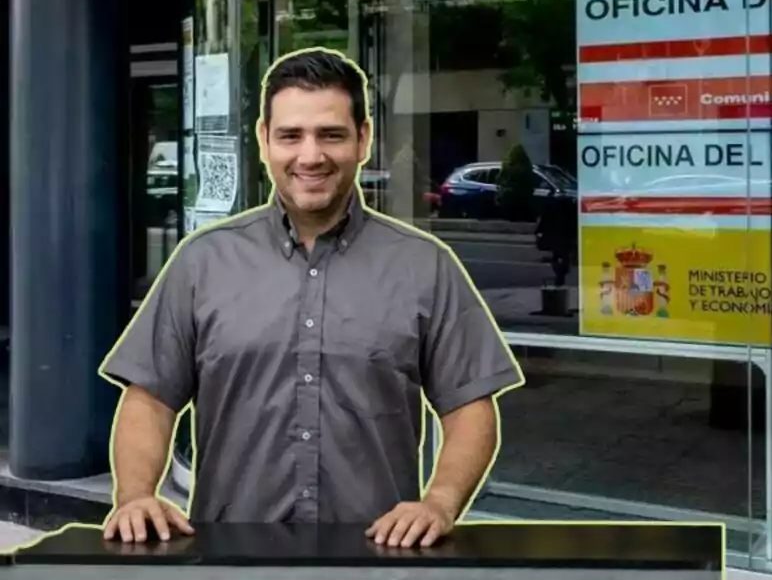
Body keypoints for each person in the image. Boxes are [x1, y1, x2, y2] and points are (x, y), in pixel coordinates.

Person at [99, 47, 524, 547]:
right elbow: (149, 399)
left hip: (377, 565)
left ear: (363, 139)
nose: (310, 155)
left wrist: (440, 502)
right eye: (290, 136)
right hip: (231, 562)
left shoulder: (424, 266)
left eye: (331, 134)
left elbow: (471, 406)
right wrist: (135, 495)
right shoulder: (202, 263)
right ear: (263, 141)